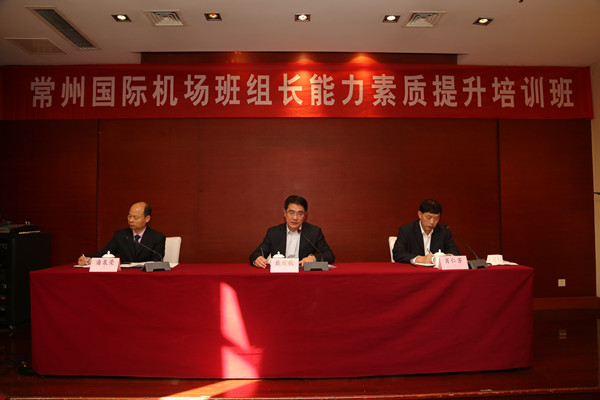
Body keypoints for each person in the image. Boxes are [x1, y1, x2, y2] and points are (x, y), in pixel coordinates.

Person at [250, 195, 335, 268]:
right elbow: (256, 254)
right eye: (291, 213)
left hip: (303, 275)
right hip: (280, 275)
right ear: (285, 213)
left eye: (300, 214)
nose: (295, 218)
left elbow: (329, 255)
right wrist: (257, 259)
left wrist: (314, 258)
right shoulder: (273, 232)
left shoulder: (314, 232)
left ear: (305, 216)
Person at [77, 201, 166, 265]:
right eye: (129, 216)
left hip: (146, 277)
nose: (131, 220)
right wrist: (88, 259)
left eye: (135, 217)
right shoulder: (121, 235)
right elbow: (106, 252)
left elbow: (157, 262)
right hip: (125, 276)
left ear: (147, 219)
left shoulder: (158, 237)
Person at [392, 199, 460, 265]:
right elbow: (398, 253)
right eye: (428, 217)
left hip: (436, 271)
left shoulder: (444, 231)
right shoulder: (406, 230)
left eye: (436, 218)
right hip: (415, 270)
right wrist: (421, 259)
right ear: (419, 214)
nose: (432, 222)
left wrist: (447, 257)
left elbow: (454, 251)